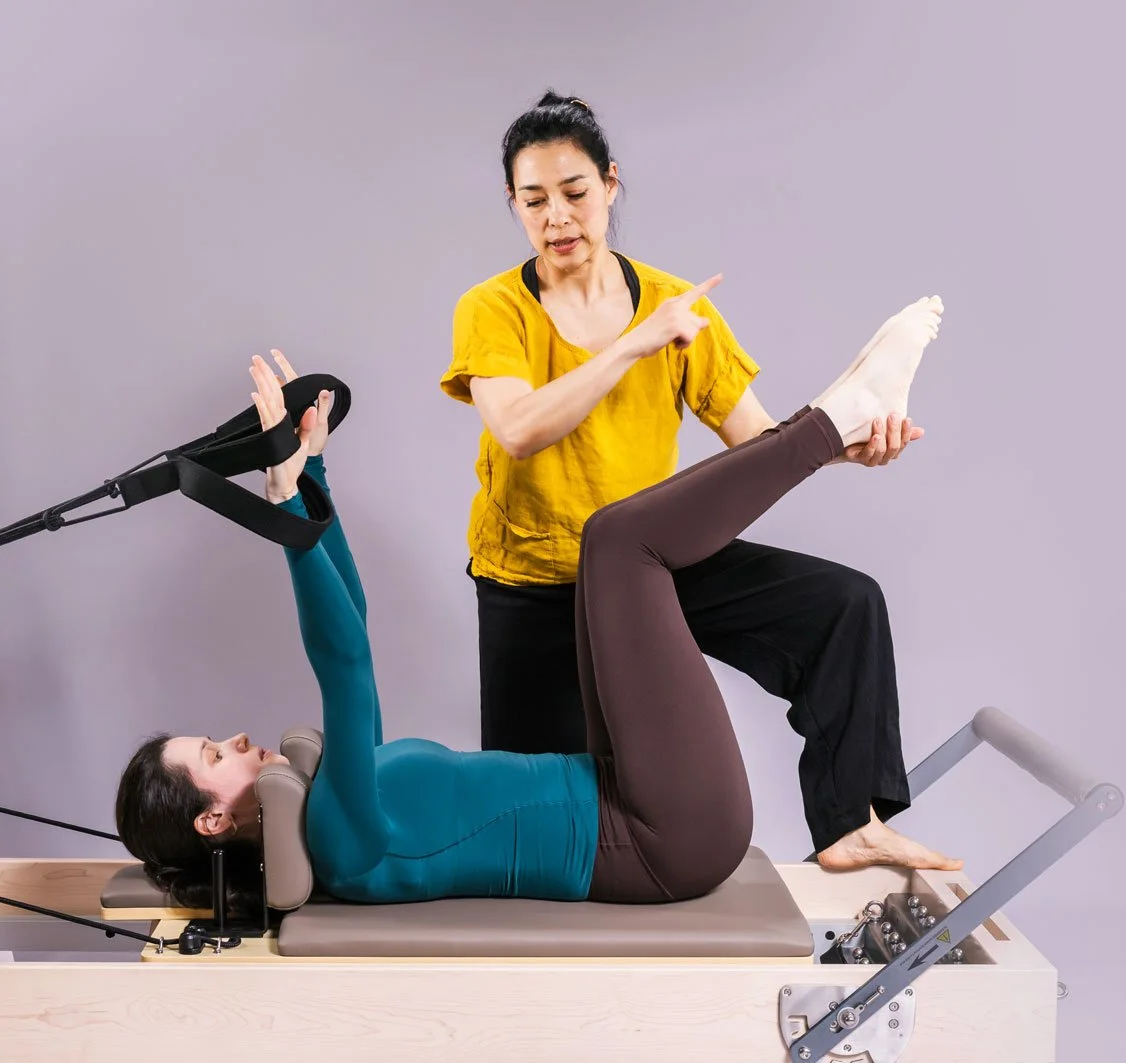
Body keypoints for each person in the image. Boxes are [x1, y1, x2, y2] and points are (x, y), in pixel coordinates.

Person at [113, 313, 958, 911]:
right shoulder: (337, 839)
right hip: (666, 832)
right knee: (623, 544)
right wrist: (285, 513)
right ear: (213, 819)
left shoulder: (331, 798)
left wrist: (312, 476)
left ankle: (833, 416)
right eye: (214, 754)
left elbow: (354, 620)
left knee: (604, 549)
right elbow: (348, 667)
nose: (237, 739)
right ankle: (833, 420)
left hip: (627, 790)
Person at [440, 92, 928, 871]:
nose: (557, 217)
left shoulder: (674, 306)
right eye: (534, 201)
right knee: (536, 828)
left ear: (610, 184)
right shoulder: (493, 308)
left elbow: (755, 444)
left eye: (574, 192)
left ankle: (850, 825)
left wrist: (848, 447)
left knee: (846, 604)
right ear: (514, 204)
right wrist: (634, 346)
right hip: (535, 587)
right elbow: (519, 427)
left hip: (648, 578)